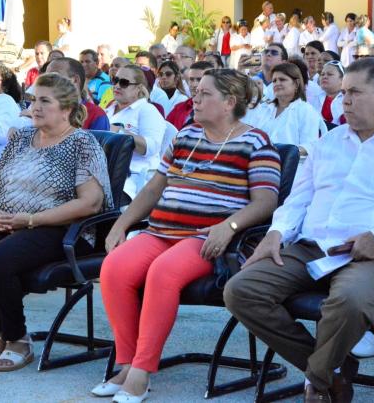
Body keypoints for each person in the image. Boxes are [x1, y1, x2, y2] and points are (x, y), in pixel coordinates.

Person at [224, 58, 374, 402]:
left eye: (355, 93)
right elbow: (297, 201)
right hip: (313, 247)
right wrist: (276, 233)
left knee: (348, 301)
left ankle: (317, 383)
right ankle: (331, 372)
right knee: (241, 289)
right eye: (343, 93)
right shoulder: (326, 144)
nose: (344, 101)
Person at [95, 68, 281, 402]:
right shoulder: (185, 136)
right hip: (161, 231)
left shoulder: (256, 142)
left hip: (207, 237)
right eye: (195, 90)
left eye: (205, 93)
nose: (195, 96)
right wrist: (121, 225)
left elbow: (266, 201)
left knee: (162, 273)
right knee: (114, 268)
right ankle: (126, 362)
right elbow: (154, 188)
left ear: (229, 102)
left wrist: (230, 226)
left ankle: (141, 371)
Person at [0, 72, 112, 372]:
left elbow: (90, 203)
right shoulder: (21, 137)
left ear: (67, 109)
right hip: (9, 220)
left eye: (44, 101)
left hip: (60, 229)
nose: (34, 106)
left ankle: (17, 339)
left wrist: (31, 219)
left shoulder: (81, 143)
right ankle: (2, 333)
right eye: (33, 99)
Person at [105, 65, 165, 200]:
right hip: (105, 174)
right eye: (115, 80)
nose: (117, 86)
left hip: (133, 180)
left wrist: (120, 132)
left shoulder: (147, 110)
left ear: (138, 88)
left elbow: (151, 147)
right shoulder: (108, 109)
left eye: (124, 83)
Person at [243, 62, 324, 156]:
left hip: (290, 167)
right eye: (274, 81)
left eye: (282, 79)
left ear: (296, 83)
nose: (277, 83)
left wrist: (284, 152)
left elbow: (309, 146)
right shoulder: (263, 109)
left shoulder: (306, 110)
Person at [46, 57, 110, 130]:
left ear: (75, 80)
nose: (46, 81)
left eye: (54, 76)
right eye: (45, 76)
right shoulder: (42, 110)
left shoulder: (96, 114)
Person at [166, 61, 213, 130]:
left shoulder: (219, 110)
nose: (194, 84)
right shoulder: (179, 107)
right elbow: (165, 131)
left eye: (200, 79)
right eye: (191, 79)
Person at [311, 60, 346, 125]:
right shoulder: (314, 97)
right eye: (322, 74)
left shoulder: (348, 100)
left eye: (329, 74)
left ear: (342, 79)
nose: (324, 77)